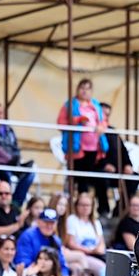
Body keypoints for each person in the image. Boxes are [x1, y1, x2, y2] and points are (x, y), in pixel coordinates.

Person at [13, 207, 93, 276]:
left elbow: (62, 264)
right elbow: (23, 262)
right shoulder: (28, 236)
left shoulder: (56, 240)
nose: (49, 226)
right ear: (39, 222)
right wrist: (42, 272)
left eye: (52, 223)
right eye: (46, 222)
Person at [57, 78, 111, 214]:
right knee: (81, 180)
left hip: (95, 149)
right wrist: (77, 120)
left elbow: (104, 122)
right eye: (82, 88)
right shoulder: (70, 105)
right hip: (77, 149)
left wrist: (100, 127)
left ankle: (101, 209)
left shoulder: (96, 105)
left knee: (99, 178)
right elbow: (61, 123)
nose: (84, 91)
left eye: (87, 88)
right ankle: (80, 209)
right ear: (77, 89)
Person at [64, 192, 107, 276]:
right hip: (82, 254)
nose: (85, 207)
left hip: (96, 254)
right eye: (82, 205)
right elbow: (70, 243)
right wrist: (89, 251)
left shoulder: (95, 222)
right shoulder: (72, 219)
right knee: (102, 268)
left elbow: (101, 242)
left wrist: (99, 250)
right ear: (77, 206)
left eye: (88, 205)